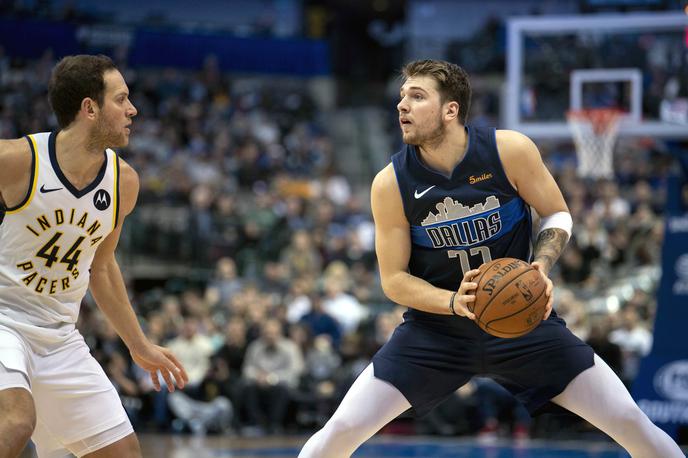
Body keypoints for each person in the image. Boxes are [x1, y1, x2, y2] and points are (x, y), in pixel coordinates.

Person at [299, 59, 683, 457]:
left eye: (416, 96)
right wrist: (453, 301)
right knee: (338, 433)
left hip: (524, 325)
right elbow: (393, 280)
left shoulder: (508, 150)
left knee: (629, 422)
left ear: (450, 110)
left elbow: (557, 212)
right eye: (401, 97)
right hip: (436, 334)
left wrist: (542, 266)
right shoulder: (390, 183)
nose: (402, 106)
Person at [0, 54, 189, 457]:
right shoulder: (17, 160)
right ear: (90, 108)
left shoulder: (123, 182)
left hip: (60, 337)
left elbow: (101, 268)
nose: (132, 109)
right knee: (15, 424)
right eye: (121, 99)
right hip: (4, 321)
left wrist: (138, 345)